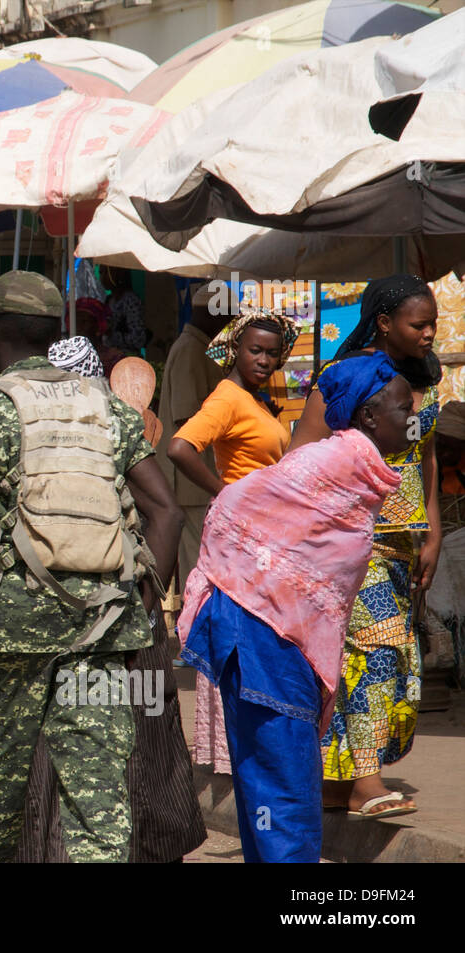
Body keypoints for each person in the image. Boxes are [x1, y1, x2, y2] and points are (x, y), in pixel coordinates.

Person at [0, 271, 183, 863]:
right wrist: (142, 616)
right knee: (96, 796)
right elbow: (168, 514)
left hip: (10, 634)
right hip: (102, 629)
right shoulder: (109, 410)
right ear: (55, 334)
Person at [178, 353, 411, 861]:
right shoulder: (332, 462)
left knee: (271, 778)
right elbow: (233, 507)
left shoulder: (358, 470)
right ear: (368, 417)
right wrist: (266, 587)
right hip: (263, 636)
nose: (412, 420)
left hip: (270, 637)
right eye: (401, 409)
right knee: (281, 783)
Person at [290, 275, 442, 819]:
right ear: (383, 322)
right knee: (376, 653)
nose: (428, 334)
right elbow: (301, 454)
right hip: (356, 542)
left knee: (386, 659)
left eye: (432, 325)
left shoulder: (424, 379)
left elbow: (426, 461)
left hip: (405, 545)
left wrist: (434, 531)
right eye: (417, 324)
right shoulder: (343, 377)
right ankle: (368, 784)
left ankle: (335, 784)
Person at [166, 306, 298, 776]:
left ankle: (250, 744)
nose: (263, 359)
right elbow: (179, 447)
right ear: (234, 352)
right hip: (242, 536)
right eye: (254, 350)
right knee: (242, 637)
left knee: (260, 637)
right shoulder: (227, 396)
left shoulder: (261, 399)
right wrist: (225, 491)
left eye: (271, 353)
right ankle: (232, 748)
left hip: (265, 534)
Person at [155, 283, 233, 600]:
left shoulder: (199, 348)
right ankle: (195, 627)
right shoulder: (190, 350)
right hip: (192, 478)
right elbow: (186, 419)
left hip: (197, 477)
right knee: (196, 558)